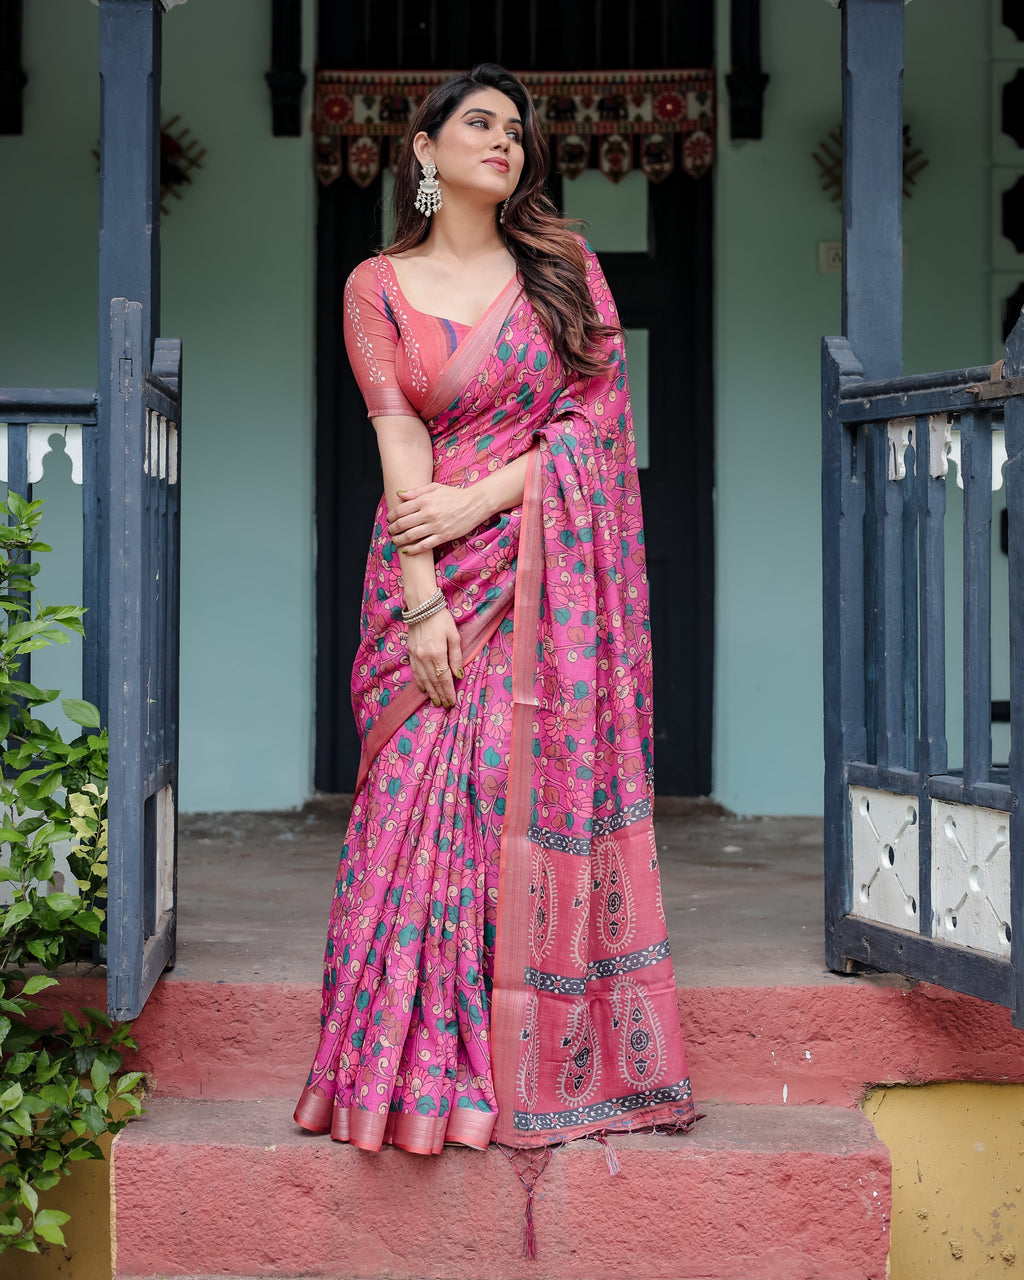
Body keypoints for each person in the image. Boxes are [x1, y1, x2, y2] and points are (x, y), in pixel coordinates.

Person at [294, 63, 696, 1159]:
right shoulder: (376, 284)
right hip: (425, 575)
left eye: (516, 129)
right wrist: (422, 598)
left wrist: (478, 498)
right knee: (409, 809)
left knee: (501, 793)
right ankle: (402, 1066)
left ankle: (510, 1056)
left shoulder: (564, 270)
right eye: (478, 123)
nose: (504, 141)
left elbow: (595, 427)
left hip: (533, 568)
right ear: (424, 150)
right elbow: (399, 441)